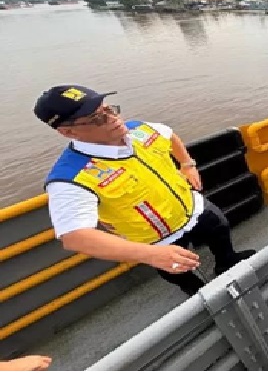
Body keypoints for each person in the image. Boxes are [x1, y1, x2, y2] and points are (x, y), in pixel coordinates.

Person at [35, 85, 256, 296]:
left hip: (195, 208)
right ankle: (198, 292)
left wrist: (188, 164)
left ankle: (226, 263)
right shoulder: (71, 177)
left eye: (109, 109)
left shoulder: (139, 129)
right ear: (68, 132)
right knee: (182, 275)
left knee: (220, 233)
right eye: (97, 118)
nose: (113, 119)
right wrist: (151, 254)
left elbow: (169, 134)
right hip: (157, 241)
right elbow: (75, 237)